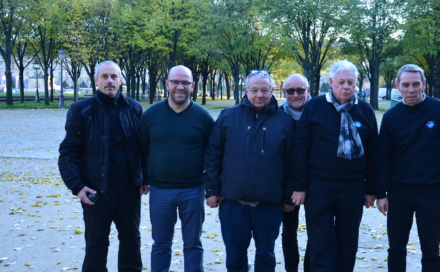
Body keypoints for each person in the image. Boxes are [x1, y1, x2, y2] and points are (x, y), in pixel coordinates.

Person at [58, 60, 149, 272]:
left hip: (129, 188)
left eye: (114, 76)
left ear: (120, 80)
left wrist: (146, 178)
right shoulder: (81, 110)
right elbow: (68, 152)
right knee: (96, 246)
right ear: (96, 80)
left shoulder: (134, 109)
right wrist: (77, 187)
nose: (110, 81)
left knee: (131, 243)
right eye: (105, 76)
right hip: (95, 190)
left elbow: (144, 148)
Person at [203, 70, 296, 272]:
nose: (259, 95)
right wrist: (211, 190)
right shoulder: (228, 116)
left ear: (272, 91)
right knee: (235, 257)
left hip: (269, 206)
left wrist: (288, 196)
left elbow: (290, 163)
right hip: (233, 205)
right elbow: (213, 156)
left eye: (264, 90)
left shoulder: (285, 121)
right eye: (254, 90)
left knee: (266, 256)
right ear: (246, 91)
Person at [375, 64, 440, 272]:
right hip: (399, 192)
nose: (411, 90)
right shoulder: (391, 117)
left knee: (431, 250)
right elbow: (383, 158)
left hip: (431, 192)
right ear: (397, 86)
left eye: (416, 84)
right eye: (405, 85)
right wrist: (381, 194)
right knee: (396, 248)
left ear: (424, 84)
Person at [291, 60, 378, 272]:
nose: (346, 86)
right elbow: (300, 148)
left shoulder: (365, 110)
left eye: (351, 82)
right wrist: (299, 186)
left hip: (353, 187)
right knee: (321, 242)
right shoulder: (315, 107)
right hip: (319, 187)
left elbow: (375, 153)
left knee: (348, 243)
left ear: (357, 83)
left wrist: (371, 190)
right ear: (331, 82)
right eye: (341, 82)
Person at [138, 65, 214, 272]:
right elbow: (143, 150)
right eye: (176, 82)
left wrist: (212, 189)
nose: (180, 87)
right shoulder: (151, 115)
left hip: (193, 190)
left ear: (193, 86)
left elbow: (213, 155)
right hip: (160, 191)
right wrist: (144, 179)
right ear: (167, 84)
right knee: (161, 244)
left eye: (185, 83)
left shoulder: (203, 117)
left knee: (193, 244)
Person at [279, 74, 311, 272]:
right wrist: (287, 191)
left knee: (316, 232)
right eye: (291, 90)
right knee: (289, 232)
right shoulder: (277, 116)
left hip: (316, 184)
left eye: (301, 90)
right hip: (288, 185)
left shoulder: (318, 112)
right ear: (284, 92)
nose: (296, 94)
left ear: (308, 90)